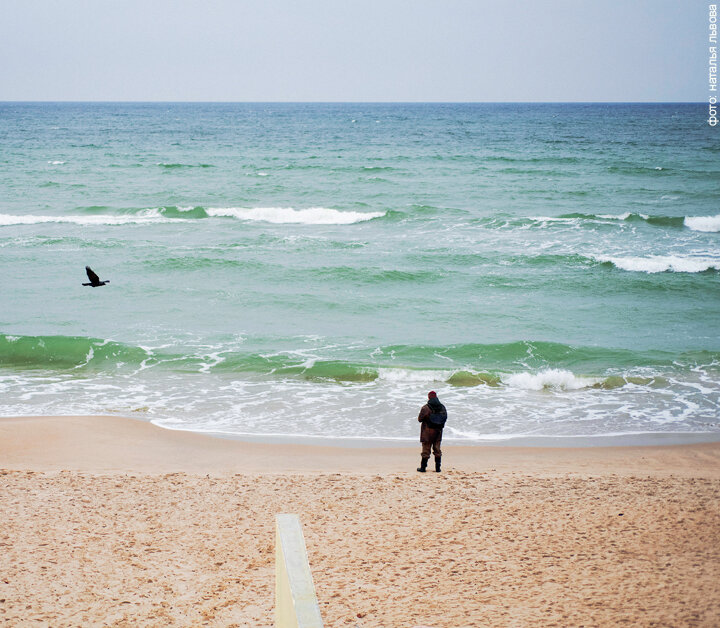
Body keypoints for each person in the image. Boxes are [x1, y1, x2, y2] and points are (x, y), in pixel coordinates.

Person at [416, 391, 447, 473]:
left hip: (427, 433)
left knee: (426, 451)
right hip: (438, 432)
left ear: (429, 398)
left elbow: (420, 419)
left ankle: (423, 468)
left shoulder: (425, 408)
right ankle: (438, 468)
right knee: (437, 450)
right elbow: (445, 418)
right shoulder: (442, 407)